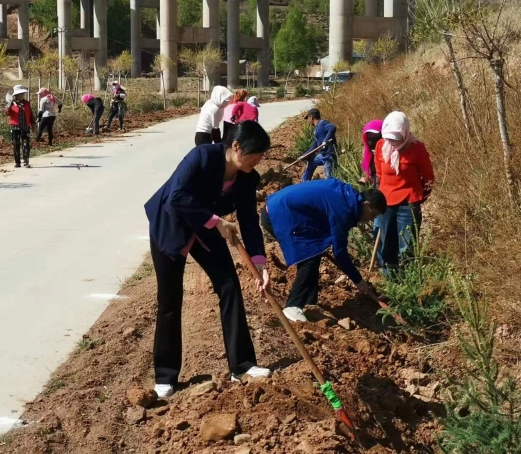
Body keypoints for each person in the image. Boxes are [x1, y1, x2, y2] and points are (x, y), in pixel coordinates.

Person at [145, 121, 273, 399]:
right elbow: (176, 196)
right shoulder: (202, 157)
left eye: (262, 155)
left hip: (207, 229)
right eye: (255, 153)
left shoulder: (248, 177)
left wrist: (260, 264)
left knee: (230, 287)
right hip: (172, 225)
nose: (258, 159)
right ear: (236, 146)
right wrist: (216, 222)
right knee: (169, 300)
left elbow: (249, 221)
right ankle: (165, 376)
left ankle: (242, 365)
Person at [261, 179, 387, 322]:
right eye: (373, 215)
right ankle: (293, 306)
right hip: (278, 214)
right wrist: (358, 281)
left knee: (315, 249)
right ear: (366, 205)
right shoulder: (344, 209)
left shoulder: (348, 196)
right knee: (310, 254)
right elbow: (339, 252)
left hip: (282, 208)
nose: (371, 220)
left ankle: (309, 301)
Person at [374, 111, 435, 273]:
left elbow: (429, 178)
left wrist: (418, 198)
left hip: (408, 204)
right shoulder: (381, 146)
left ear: (406, 133)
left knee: (407, 246)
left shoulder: (417, 149)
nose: (392, 142)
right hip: (385, 203)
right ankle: (391, 281)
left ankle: (408, 280)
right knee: (387, 243)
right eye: (389, 138)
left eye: (396, 138)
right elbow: (379, 172)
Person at [301, 108, 337, 182]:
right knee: (311, 161)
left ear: (311, 117)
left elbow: (332, 127)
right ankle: (305, 182)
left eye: (308, 118)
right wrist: (305, 155)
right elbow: (315, 145)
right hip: (322, 155)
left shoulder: (322, 123)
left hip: (329, 155)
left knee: (330, 178)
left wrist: (326, 140)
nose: (308, 121)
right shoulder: (316, 129)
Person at [5, 85, 35, 168]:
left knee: (26, 144)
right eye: (21, 94)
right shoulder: (12, 104)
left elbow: (30, 114)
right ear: (16, 95)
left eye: (23, 93)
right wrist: (9, 105)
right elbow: (7, 113)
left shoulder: (27, 103)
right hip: (15, 127)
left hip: (25, 127)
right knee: (16, 144)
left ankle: (26, 161)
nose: (22, 95)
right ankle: (17, 162)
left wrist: (33, 123)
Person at [360, 120, 383, 186]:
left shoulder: (389, 151)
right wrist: (367, 179)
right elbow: (370, 171)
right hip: (375, 184)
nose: (370, 141)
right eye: (368, 136)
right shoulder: (368, 153)